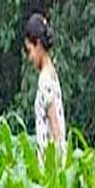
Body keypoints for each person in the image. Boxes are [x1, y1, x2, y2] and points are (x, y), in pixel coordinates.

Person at [24, 13, 66, 164]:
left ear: (38, 45)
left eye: (30, 50)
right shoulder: (52, 73)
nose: (30, 58)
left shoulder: (45, 79)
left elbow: (54, 125)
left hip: (50, 165)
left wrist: (60, 162)